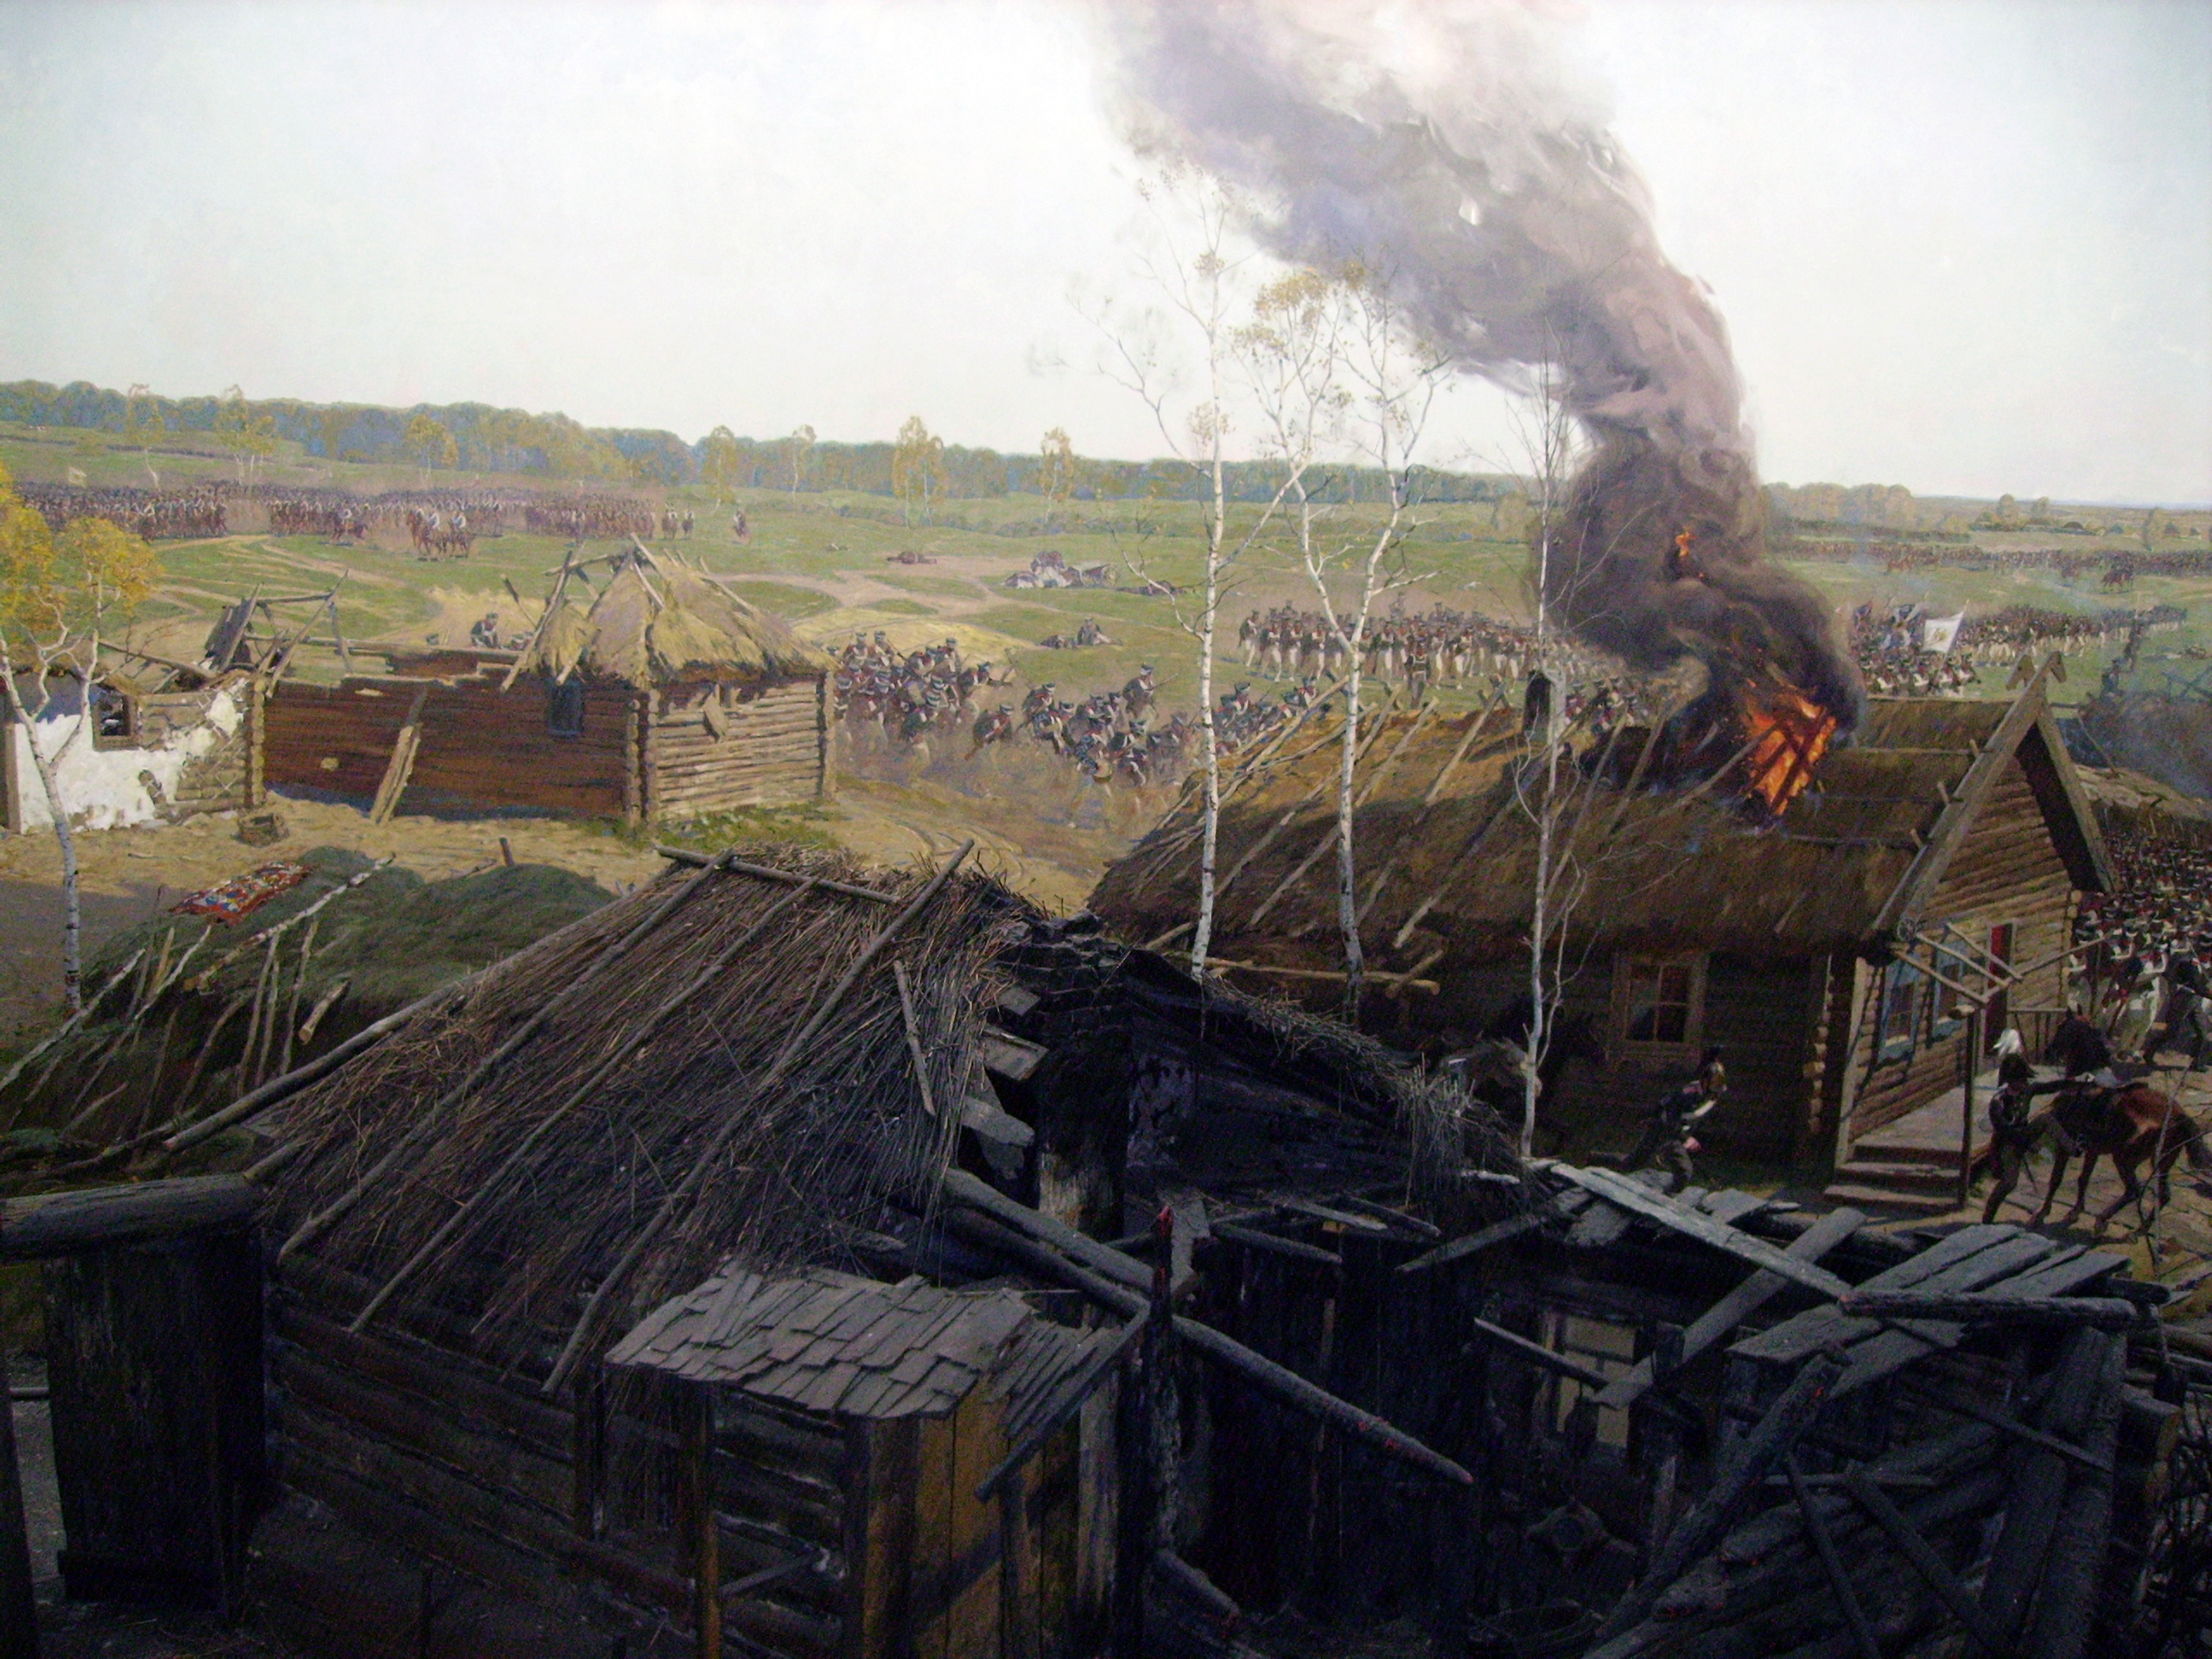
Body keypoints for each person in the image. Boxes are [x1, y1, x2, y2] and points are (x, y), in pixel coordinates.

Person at [1625, 1047, 1725, 1189]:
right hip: (1665, 1132)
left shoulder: (1710, 1096)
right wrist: (1686, 1138)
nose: (1715, 1090)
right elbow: (1670, 1119)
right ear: (1704, 1081)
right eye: (1713, 1082)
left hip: (1677, 1134)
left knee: (1684, 1171)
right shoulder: (1687, 1095)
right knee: (1631, 1164)